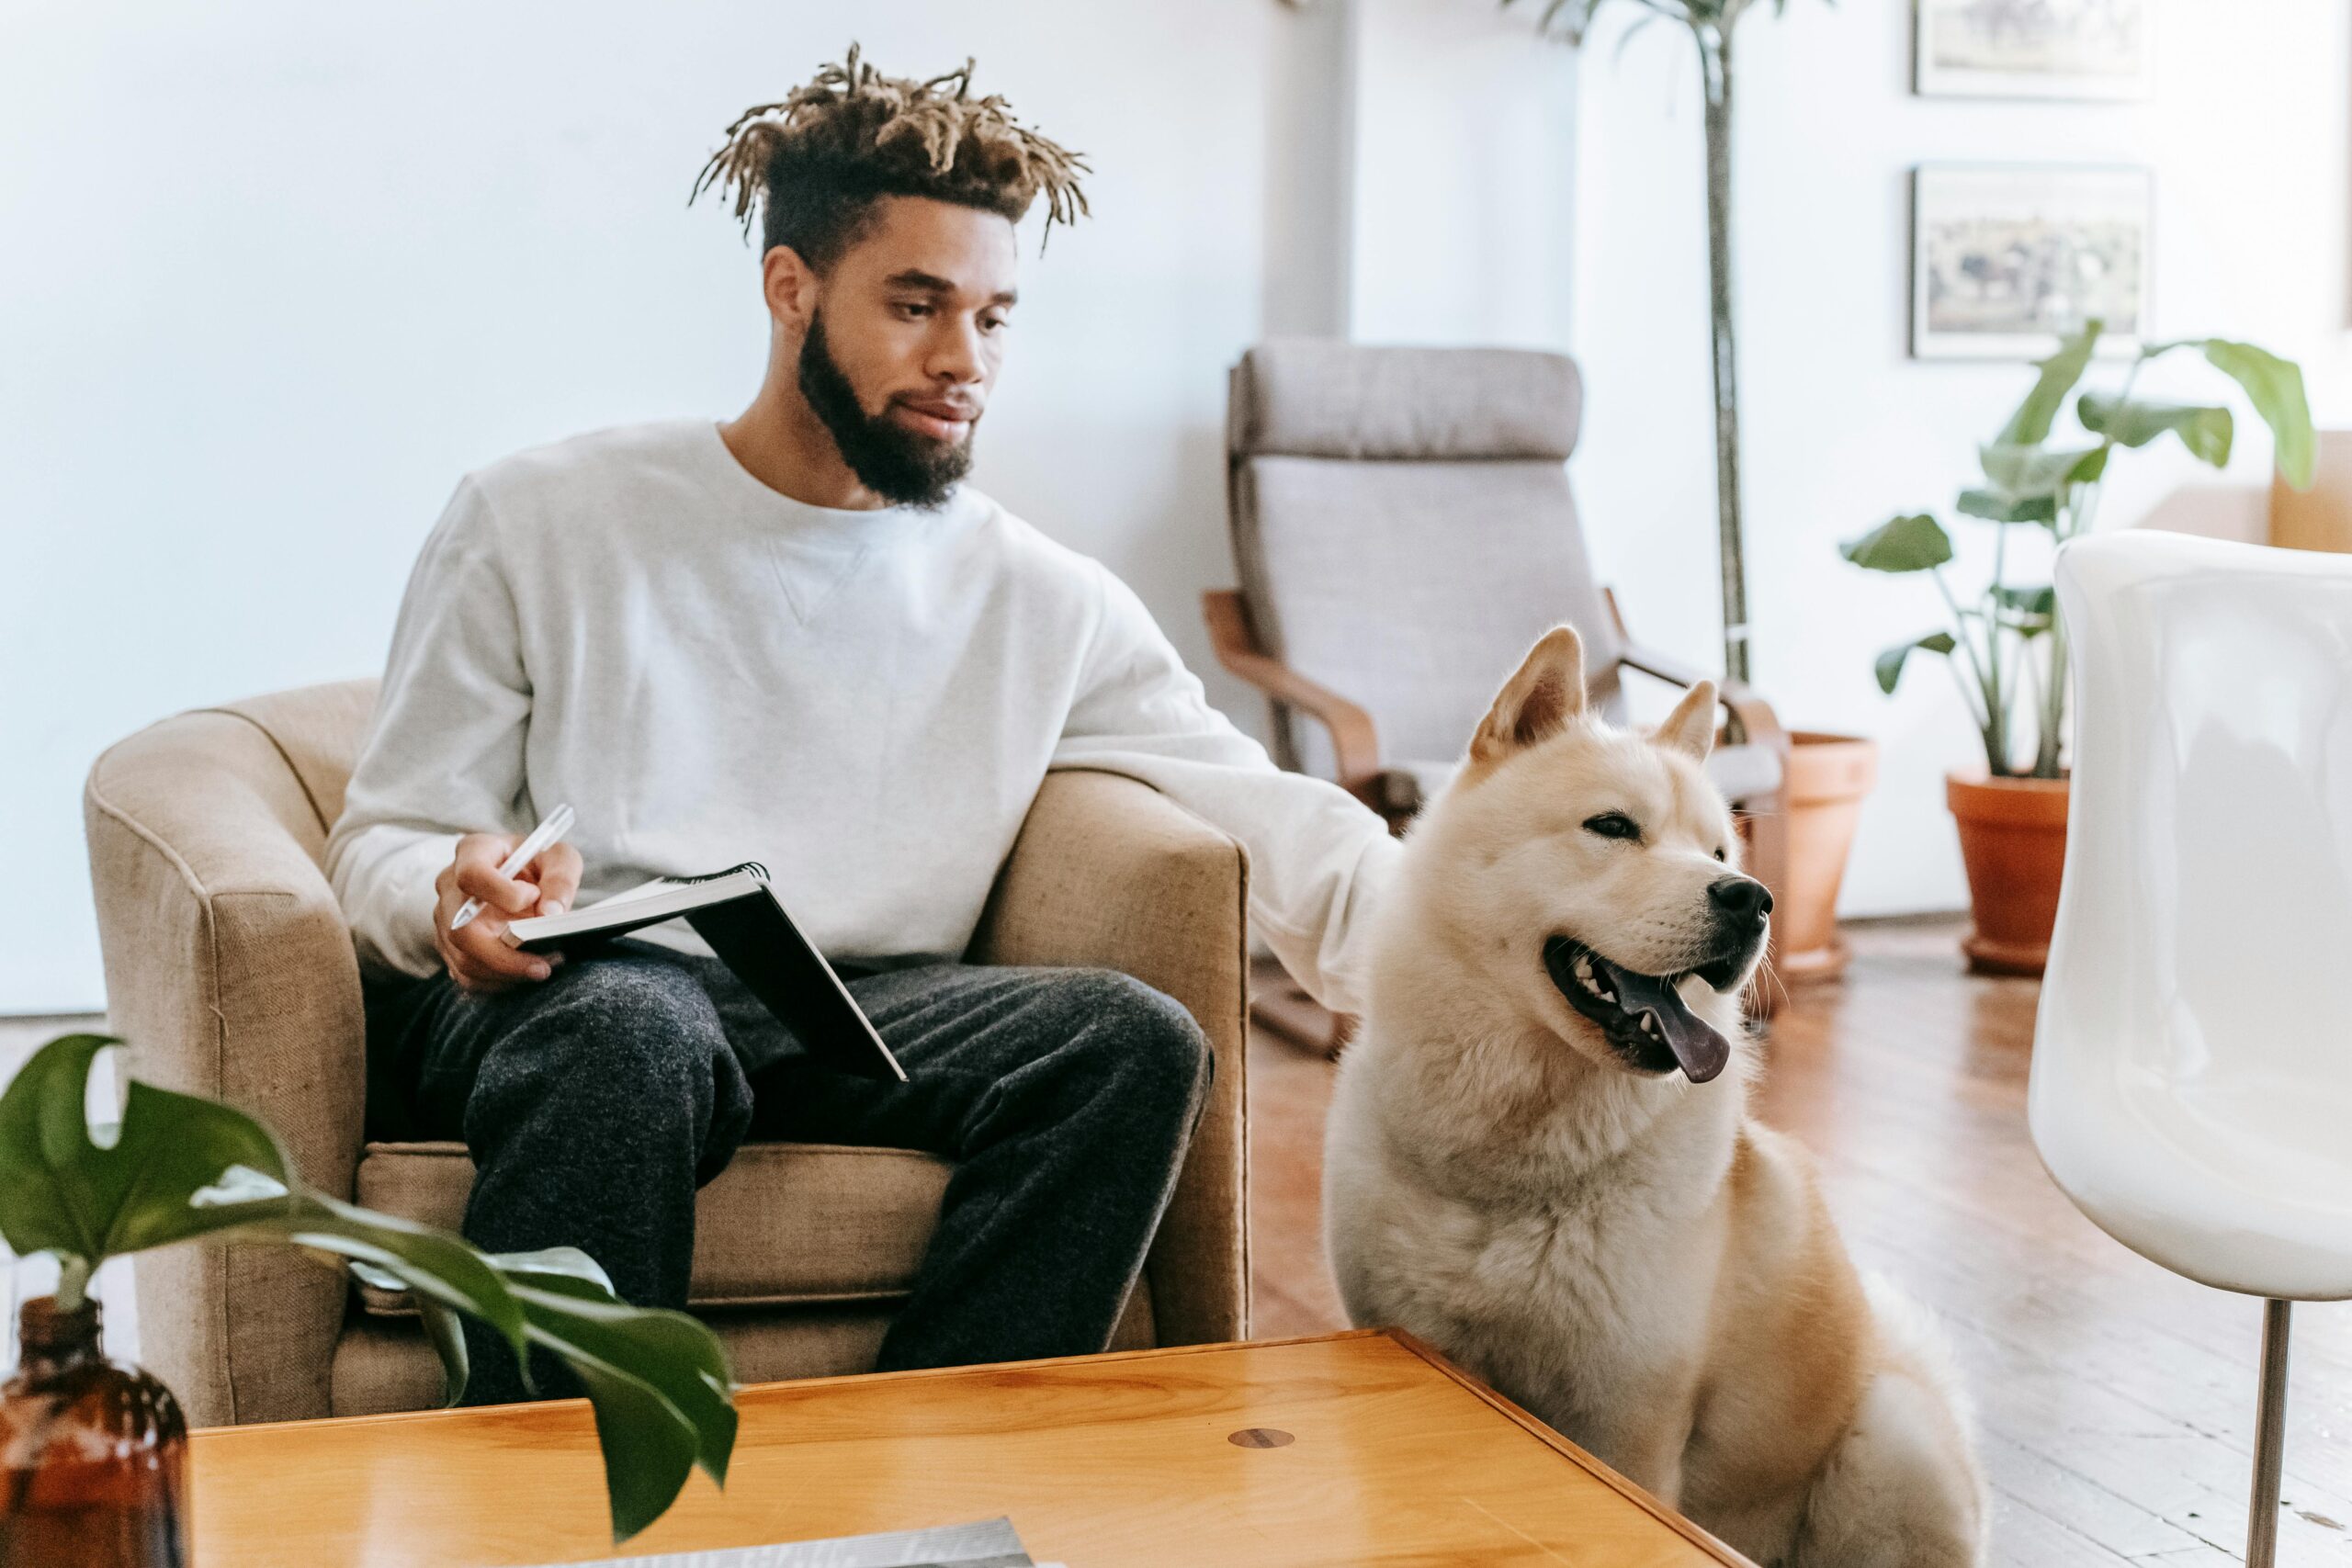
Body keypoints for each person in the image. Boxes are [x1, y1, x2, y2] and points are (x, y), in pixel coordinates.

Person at [326, 45, 1395, 1405]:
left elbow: (1262, 808)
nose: (965, 363)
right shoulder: (540, 517)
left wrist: (1497, 952)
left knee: (1133, 1041)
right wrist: (452, 898)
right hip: (584, 998)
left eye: (996, 318)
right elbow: (389, 832)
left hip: (860, 1016)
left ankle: (930, 1501)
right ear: (792, 289)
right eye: (917, 304)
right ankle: (558, 1526)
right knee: (632, 1031)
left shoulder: (1038, 596)